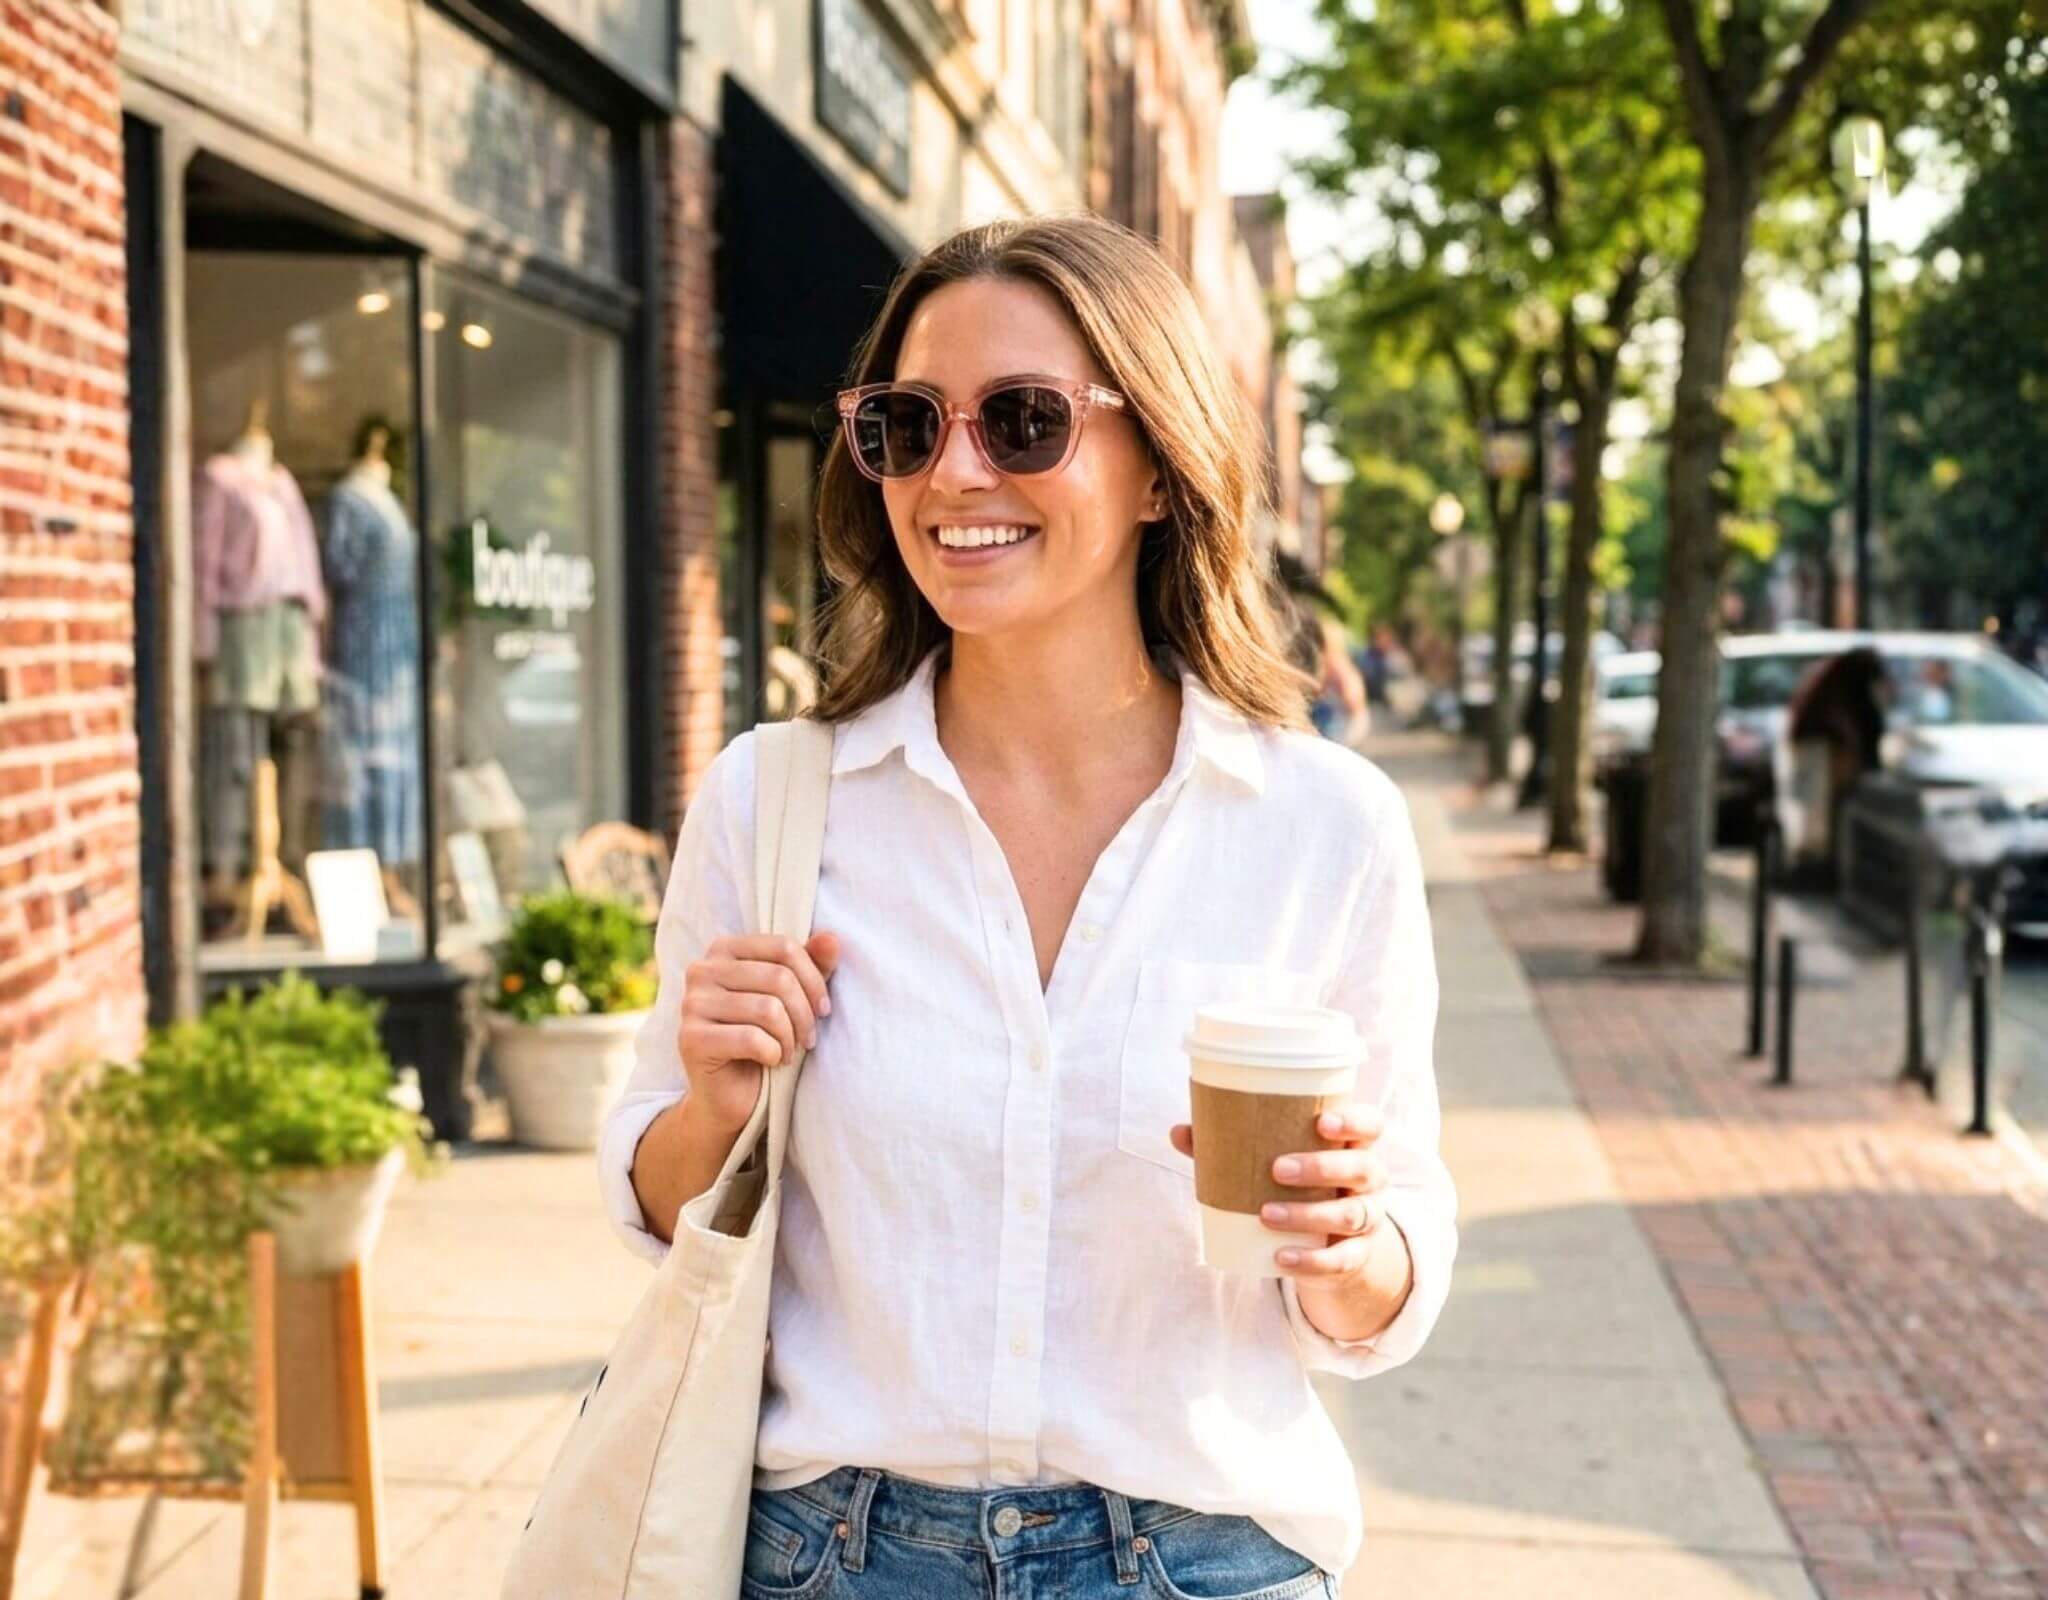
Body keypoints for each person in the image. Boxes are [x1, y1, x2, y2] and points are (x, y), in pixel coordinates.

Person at [601, 215, 1456, 1600]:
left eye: (1023, 421)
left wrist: (1352, 1247)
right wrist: (710, 1103)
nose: (954, 473)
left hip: (1204, 1558)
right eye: (905, 424)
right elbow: (654, 1192)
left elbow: (1394, 1266)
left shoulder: (1324, 829)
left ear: (1161, 472)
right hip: (836, 1557)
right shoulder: (777, 802)